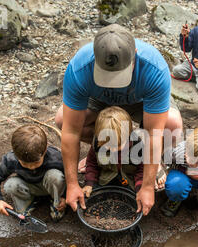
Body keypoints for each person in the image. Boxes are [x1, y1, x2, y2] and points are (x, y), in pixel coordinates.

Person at [56, 24, 183, 216]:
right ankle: (100, 153)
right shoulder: (80, 67)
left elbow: (153, 134)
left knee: (172, 125)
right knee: (61, 119)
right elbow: (71, 131)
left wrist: (147, 186)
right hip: (100, 102)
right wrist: (72, 183)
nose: (114, 83)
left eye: (119, 76)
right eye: (107, 76)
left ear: (135, 55)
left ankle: (155, 163)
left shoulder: (154, 68)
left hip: (141, 103)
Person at [0, 125, 67, 222]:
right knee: (10, 185)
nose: (31, 167)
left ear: (45, 150)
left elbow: (69, 177)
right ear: (15, 154)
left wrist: (64, 196)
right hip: (28, 187)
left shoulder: (56, 158)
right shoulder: (10, 160)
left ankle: (56, 201)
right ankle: (27, 203)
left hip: (50, 186)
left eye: (36, 163)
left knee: (56, 176)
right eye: (24, 163)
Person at [82, 107, 144, 198]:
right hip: (106, 178)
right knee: (94, 195)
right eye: (108, 146)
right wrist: (90, 183)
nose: (113, 150)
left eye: (117, 146)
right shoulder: (97, 144)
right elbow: (92, 163)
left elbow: (141, 169)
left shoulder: (137, 147)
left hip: (128, 180)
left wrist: (139, 187)